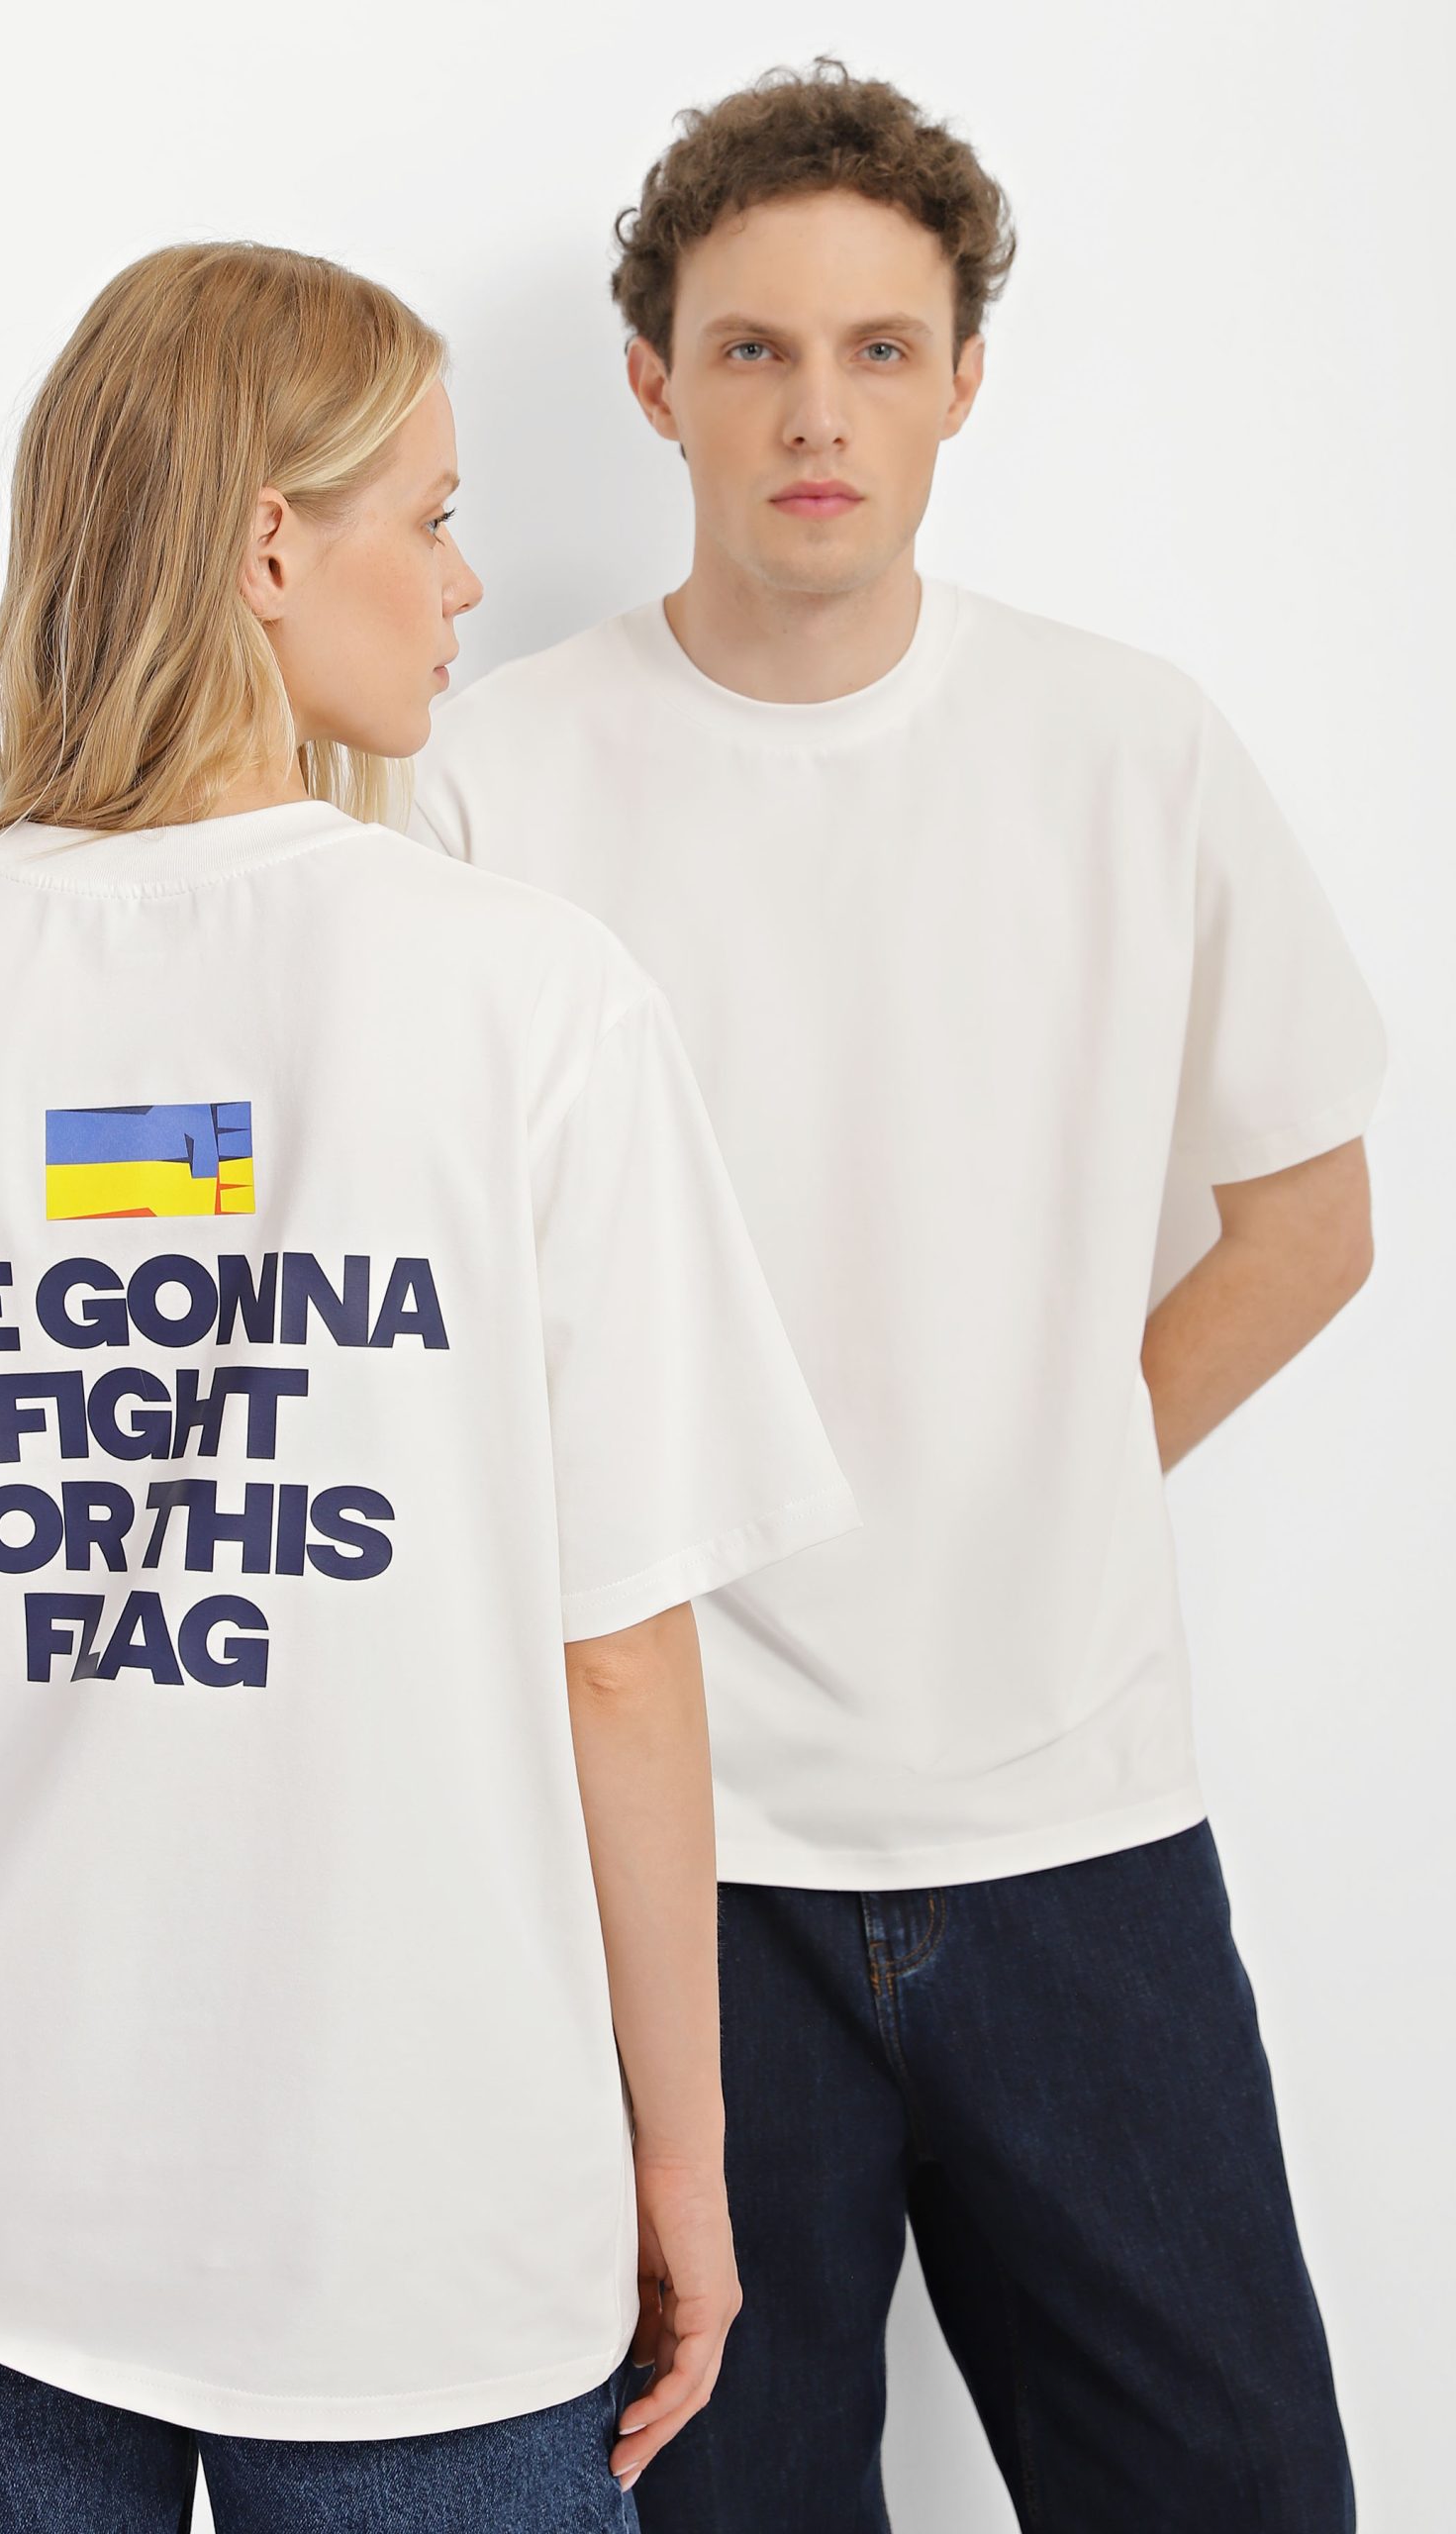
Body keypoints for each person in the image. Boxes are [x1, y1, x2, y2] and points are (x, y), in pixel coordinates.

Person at [0, 241, 862, 2531]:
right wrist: (682, 2152)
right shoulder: (530, 1000)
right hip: (423, 2210)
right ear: (272, 545)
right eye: (428, 516)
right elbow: (622, 1661)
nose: (466, 581)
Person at [410, 59, 1384, 2534]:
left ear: (965, 382)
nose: (816, 413)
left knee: (1236, 2488)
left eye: (877, 350)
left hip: (1079, 1822)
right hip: (676, 1864)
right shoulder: (488, 786)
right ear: (654, 386)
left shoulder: (1128, 747)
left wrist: (1053, 1463)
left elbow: (1309, 1214)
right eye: (753, 351)